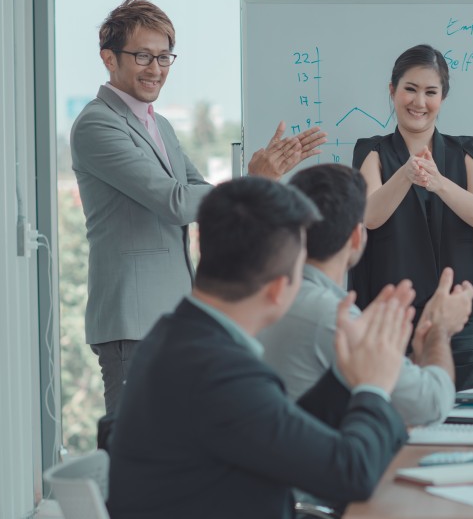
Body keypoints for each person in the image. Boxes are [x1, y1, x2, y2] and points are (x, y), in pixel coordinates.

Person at [70, 0, 326, 415]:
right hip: (132, 319)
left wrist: (257, 181)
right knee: (131, 444)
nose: (155, 69)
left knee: (168, 443)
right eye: (142, 56)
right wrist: (254, 178)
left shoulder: (158, 123)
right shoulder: (98, 124)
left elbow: (201, 193)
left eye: (164, 57)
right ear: (109, 59)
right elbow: (174, 202)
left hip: (170, 311)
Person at [107, 177, 411, 518]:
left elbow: (274, 426)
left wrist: (348, 371)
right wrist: (374, 387)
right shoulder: (218, 370)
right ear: (280, 289)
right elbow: (351, 474)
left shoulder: (177, 335)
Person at [349, 44, 473, 392]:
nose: (419, 102)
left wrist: (438, 182)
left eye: (430, 92)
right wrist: (407, 173)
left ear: (443, 97)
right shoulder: (371, 152)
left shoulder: (467, 150)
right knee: (403, 436)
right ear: (392, 91)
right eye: (410, 89)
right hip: (396, 323)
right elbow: (369, 216)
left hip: (464, 323)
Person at [259, 164, 473, 425]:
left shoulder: (268, 298)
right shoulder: (334, 315)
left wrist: (421, 353)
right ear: (357, 237)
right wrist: (440, 329)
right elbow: (429, 406)